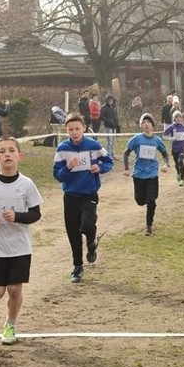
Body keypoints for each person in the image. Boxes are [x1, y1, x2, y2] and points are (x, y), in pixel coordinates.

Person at [0, 136, 43, 345]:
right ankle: (8, 317)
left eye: (11, 150)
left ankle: (10, 324)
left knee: (14, 289)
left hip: (19, 246)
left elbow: (36, 213)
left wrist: (18, 216)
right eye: (2, 151)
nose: (7, 154)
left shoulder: (27, 184)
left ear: (20, 156)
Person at [53, 112, 113, 283]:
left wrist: (99, 167)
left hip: (89, 194)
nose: (74, 132)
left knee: (86, 225)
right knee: (73, 233)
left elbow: (108, 161)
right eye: (70, 129)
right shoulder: (63, 149)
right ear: (66, 130)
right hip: (70, 196)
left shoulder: (94, 145)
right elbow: (57, 175)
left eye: (77, 128)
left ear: (84, 128)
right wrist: (67, 168)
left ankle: (92, 241)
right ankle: (77, 267)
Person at [122, 113, 169, 235]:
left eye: (148, 122)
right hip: (138, 174)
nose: (146, 124)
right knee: (140, 201)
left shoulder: (157, 140)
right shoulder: (136, 139)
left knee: (151, 201)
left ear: (152, 125)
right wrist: (126, 168)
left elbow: (165, 153)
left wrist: (166, 164)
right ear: (141, 125)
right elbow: (126, 153)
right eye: (144, 122)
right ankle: (146, 200)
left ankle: (149, 226)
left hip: (152, 174)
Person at [163, 110, 184, 186]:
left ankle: (182, 179)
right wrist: (171, 139)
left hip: (182, 148)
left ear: (182, 118)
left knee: (180, 161)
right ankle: (178, 173)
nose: (178, 118)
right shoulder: (171, 127)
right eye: (176, 117)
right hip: (174, 148)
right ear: (174, 118)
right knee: (176, 164)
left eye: (180, 117)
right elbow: (164, 136)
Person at [100, 93, 119, 158]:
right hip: (108, 126)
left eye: (112, 100)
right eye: (109, 100)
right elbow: (101, 117)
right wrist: (109, 121)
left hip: (114, 126)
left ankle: (112, 154)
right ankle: (109, 156)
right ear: (107, 100)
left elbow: (116, 116)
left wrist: (117, 124)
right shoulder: (103, 107)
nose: (111, 101)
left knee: (113, 142)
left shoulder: (113, 107)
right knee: (109, 142)